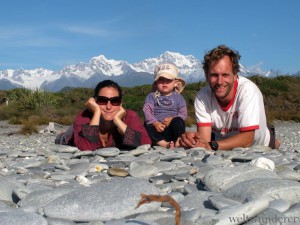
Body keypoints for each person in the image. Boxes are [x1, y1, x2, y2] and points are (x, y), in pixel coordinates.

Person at [180, 45, 280, 150]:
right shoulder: (202, 96)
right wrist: (192, 140)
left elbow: (247, 139)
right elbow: (204, 140)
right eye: (214, 75)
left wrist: (211, 146)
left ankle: (274, 141)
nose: (219, 81)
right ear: (206, 74)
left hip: (258, 144)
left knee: (270, 144)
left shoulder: (248, 90)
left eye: (225, 75)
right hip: (225, 143)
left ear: (235, 74)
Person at [55, 80, 152, 151]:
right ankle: (62, 134)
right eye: (102, 100)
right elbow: (86, 148)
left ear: (121, 103)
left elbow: (145, 143)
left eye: (115, 101)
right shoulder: (84, 116)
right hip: (67, 139)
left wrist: (118, 121)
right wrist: (97, 112)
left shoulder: (130, 116)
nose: (108, 106)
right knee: (64, 137)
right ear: (95, 102)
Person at [143, 63, 187, 148]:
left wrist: (173, 119)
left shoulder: (179, 97)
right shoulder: (151, 96)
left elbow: (183, 113)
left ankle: (178, 141)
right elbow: (147, 111)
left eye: (168, 80)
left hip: (172, 127)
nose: (165, 83)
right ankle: (163, 144)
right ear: (156, 83)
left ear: (175, 83)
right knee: (146, 126)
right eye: (161, 80)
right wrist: (155, 123)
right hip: (156, 128)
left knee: (178, 121)